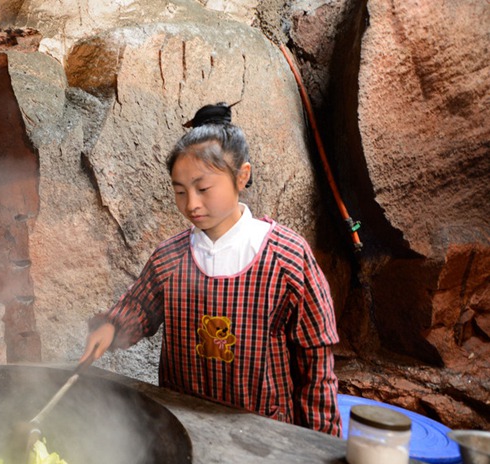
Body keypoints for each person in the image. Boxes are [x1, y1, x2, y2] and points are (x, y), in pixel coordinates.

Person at [80, 102, 341, 436]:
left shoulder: (287, 258)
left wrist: (320, 444)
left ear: (241, 176)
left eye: (203, 189)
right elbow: (138, 309)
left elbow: (316, 365)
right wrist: (111, 329)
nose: (191, 204)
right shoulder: (169, 259)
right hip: (184, 426)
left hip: (266, 434)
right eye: (179, 191)